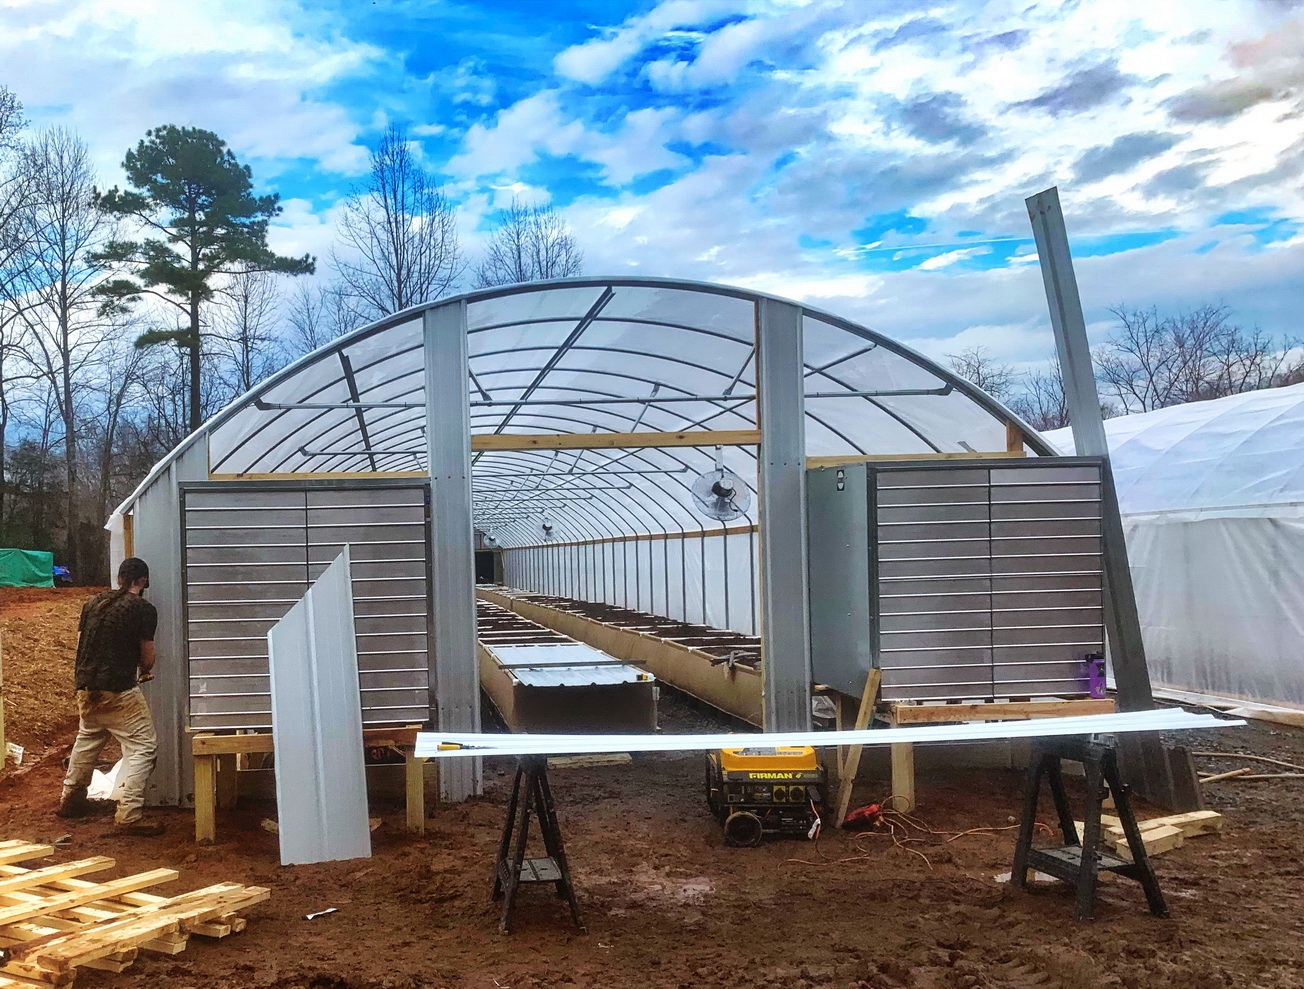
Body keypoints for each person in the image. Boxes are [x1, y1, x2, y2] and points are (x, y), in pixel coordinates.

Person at [56, 557, 165, 836]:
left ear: (119, 578)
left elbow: (87, 645)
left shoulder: (92, 604)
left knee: (89, 737)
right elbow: (147, 661)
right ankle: (129, 814)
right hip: (117, 689)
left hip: (85, 687)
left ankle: (72, 800)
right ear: (142, 581)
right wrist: (146, 664)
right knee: (144, 746)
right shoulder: (143, 609)